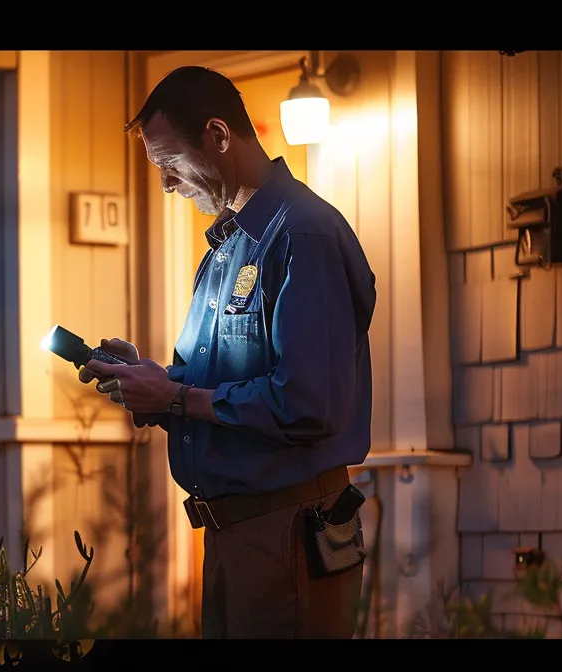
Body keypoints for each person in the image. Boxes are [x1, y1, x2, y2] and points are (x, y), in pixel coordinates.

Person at [80, 65, 377, 639]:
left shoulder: (302, 235)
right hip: (234, 539)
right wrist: (156, 386)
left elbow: (307, 403)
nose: (166, 184)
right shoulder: (226, 247)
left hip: (289, 534)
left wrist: (176, 396)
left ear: (219, 136)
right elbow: (217, 389)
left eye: (170, 164)